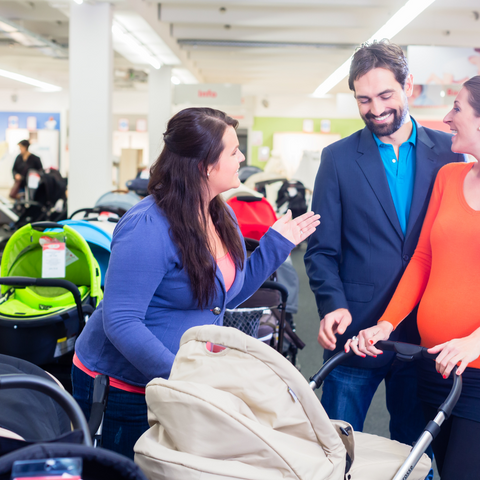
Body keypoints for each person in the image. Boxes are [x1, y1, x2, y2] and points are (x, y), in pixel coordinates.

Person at [72, 107, 320, 459]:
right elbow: (121, 322)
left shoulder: (221, 213)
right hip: (123, 387)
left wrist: (276, 245)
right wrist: (185, 376)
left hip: (182, 382)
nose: (243, 157)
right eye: (234, 151)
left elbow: (225, 296)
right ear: (205, 164)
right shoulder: (147, 226)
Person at [304, 39, 465, 449]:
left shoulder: (451, 154)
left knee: (413, 451)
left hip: (422, 336)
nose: (375, 109)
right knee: (336, 447)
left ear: (408, 86)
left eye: (385, 95)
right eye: (363, 100)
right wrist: (331, 304)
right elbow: (322, 249)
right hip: (356, 330)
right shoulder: (338, 159)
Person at [346, 76, 480, 480]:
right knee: (436, 466)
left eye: (457, 109)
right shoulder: (450, 178)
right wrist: (386, 323)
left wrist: (475, 341)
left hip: (475, 368)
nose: (447, 117)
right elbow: (422, 260)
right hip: (433, 364)